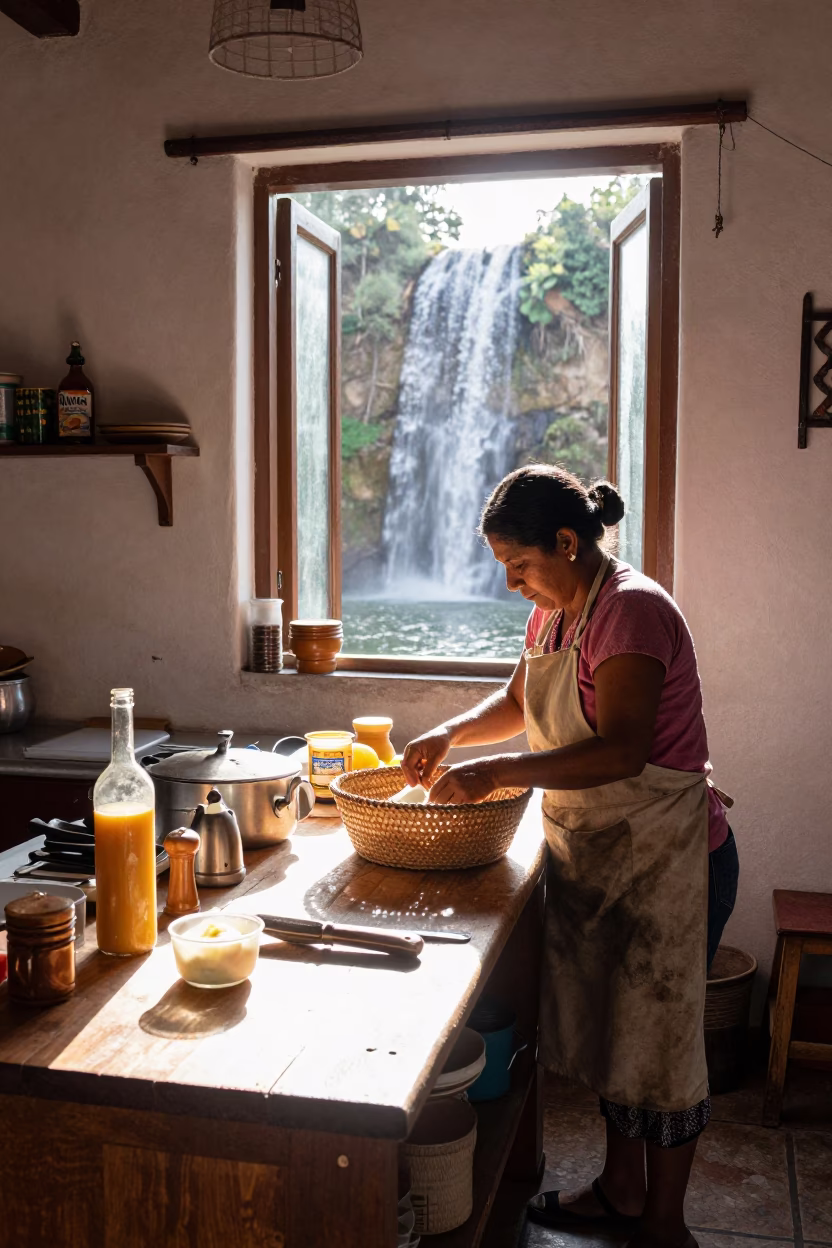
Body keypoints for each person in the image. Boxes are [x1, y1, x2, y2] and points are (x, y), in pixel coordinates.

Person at [402, 466, 739, 1248]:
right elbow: (521, 704)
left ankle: (665, 1224)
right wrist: (451, 733)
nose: (514, 583)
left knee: (663, 1046)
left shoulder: (632, 612)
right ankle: (623, 1192)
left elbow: (622, 750)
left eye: (520, 565)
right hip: (604, 854)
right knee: (620, 1033)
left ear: (567, 541)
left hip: (673, 858)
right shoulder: (555, 615)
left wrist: (496, 771)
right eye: (503, 570)